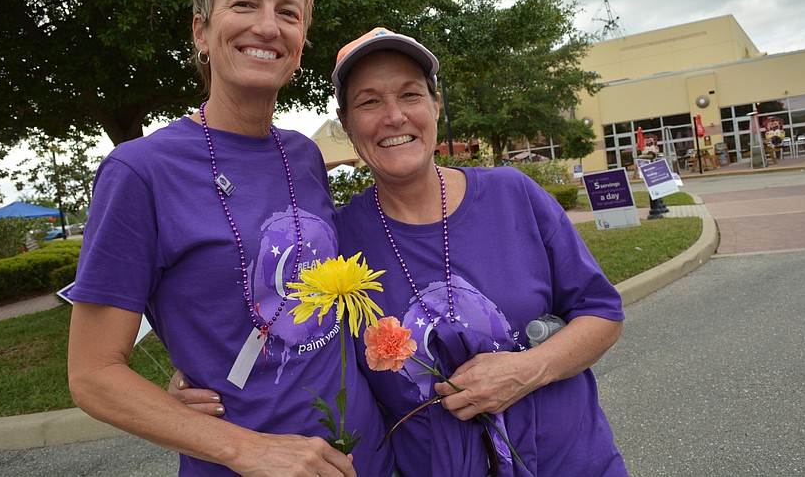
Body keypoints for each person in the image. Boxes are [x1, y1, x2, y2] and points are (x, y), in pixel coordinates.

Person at [177, 27, 628, 476]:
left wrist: (530, 367)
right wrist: (199, 380)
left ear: (435, 105)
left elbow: (603, 313)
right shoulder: (337, 242)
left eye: (410, 95)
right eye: (369, 102)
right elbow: (278, 328)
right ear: (347, 125)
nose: (394, 116)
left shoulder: (514, 195)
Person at [67, 0, 393, 477]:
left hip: (370, 457)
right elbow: (94, 374)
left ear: (300, 42)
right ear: (201, 31)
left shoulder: (304, 156)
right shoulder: (139, 171)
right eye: (245, 3)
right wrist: (244, 448)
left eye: (288, 13)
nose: (268, 25)